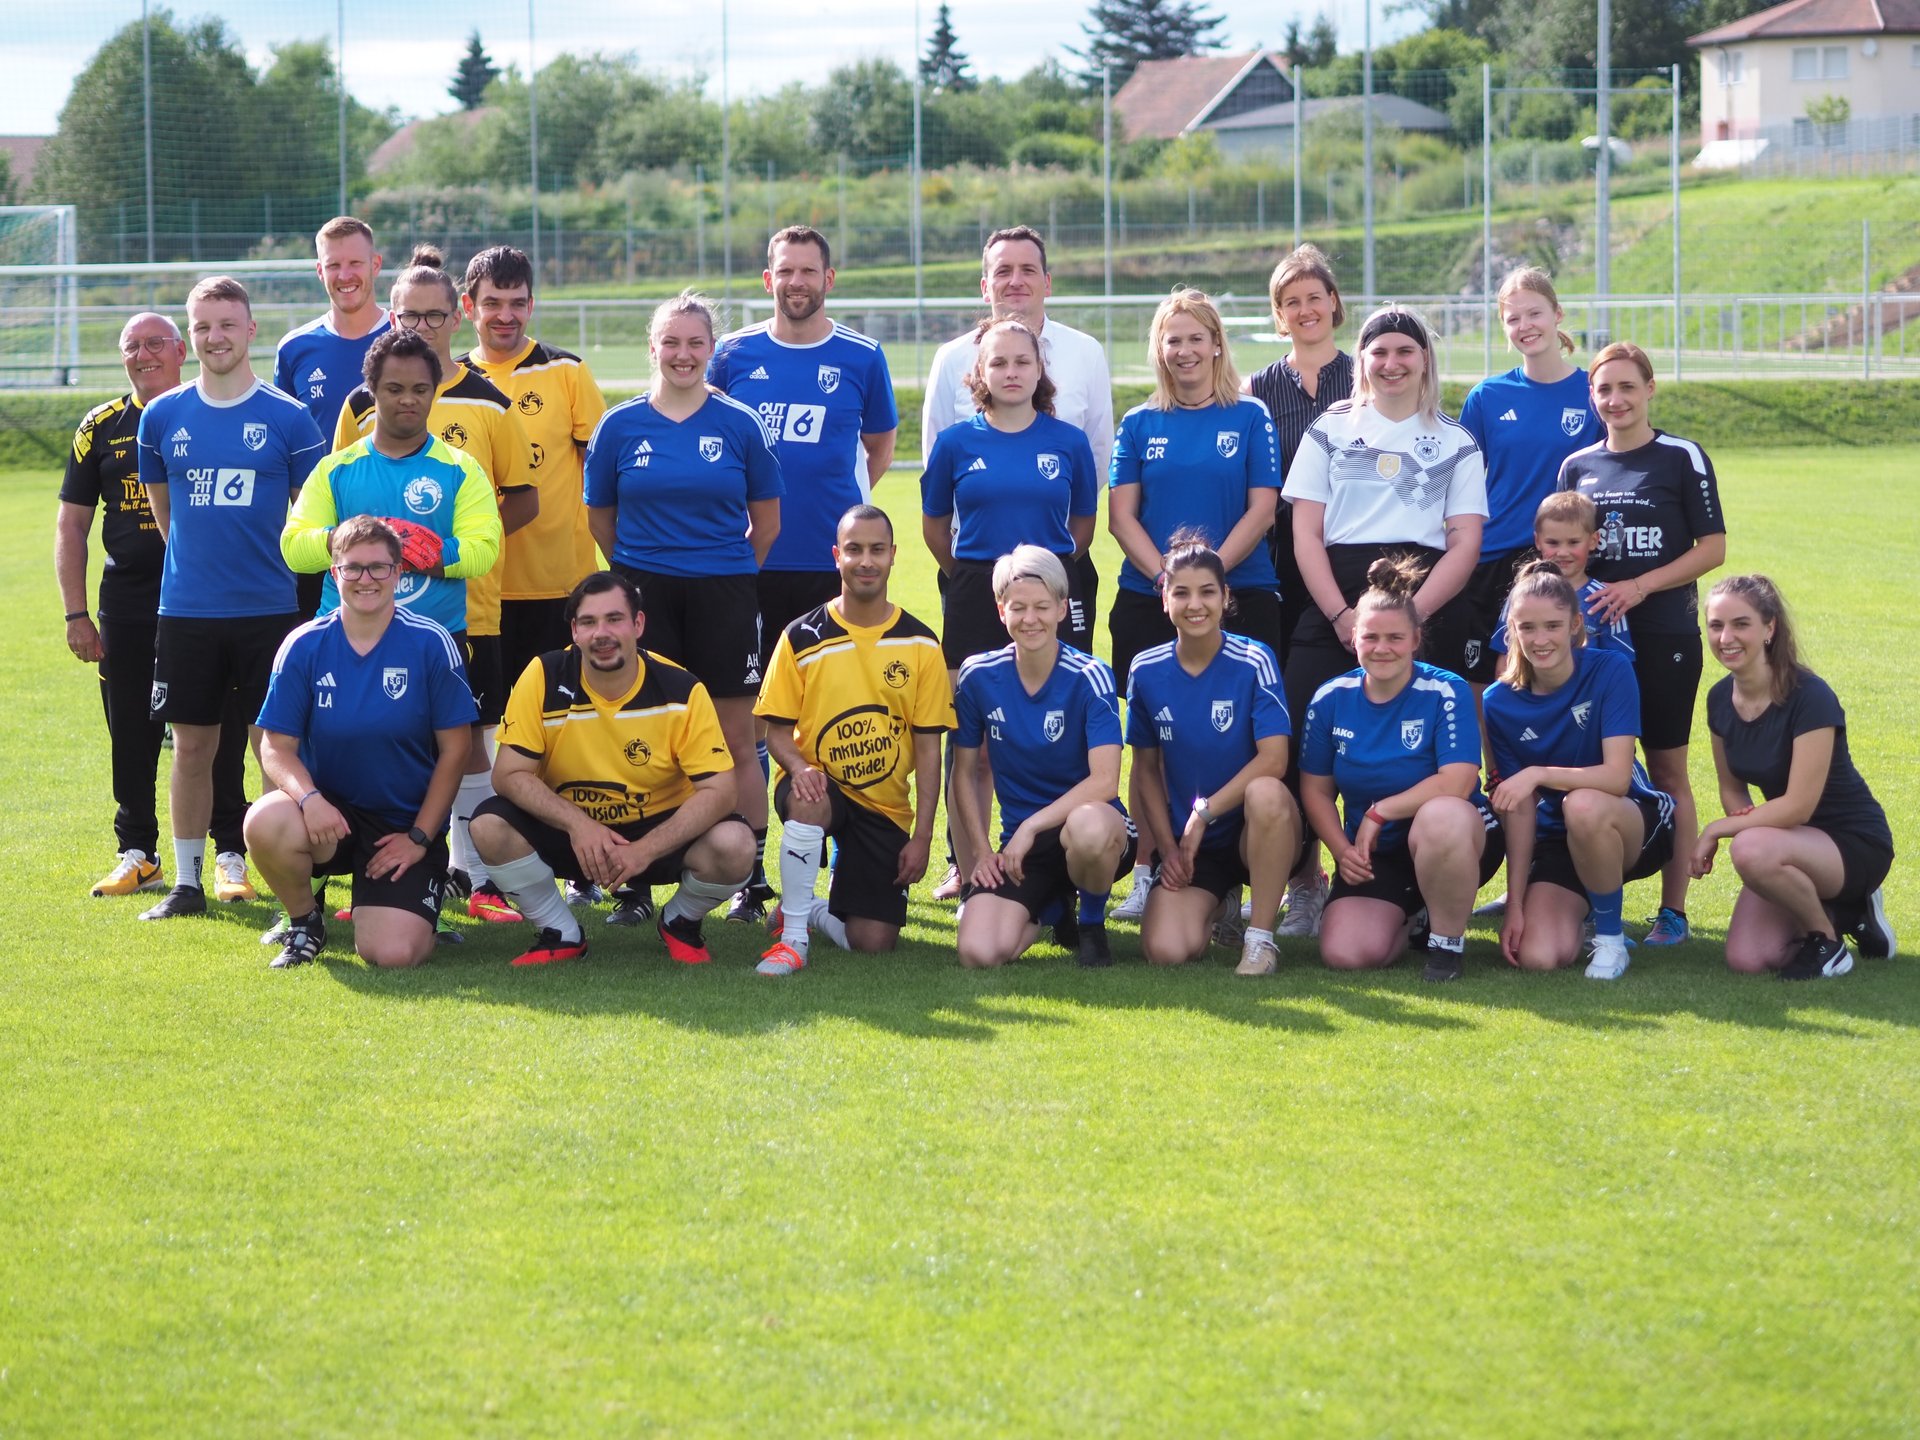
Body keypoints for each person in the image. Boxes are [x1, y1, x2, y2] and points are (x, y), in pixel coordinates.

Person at [335, 246, 538, 924]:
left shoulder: (489, 401)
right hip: (372, 616)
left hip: (465, 611)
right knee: (384, 733)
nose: (421, 327)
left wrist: (452, 551)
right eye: (409, 316)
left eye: (434, 316)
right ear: (391, 318)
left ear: (457, 317)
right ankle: (380, 875)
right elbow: (341, 504)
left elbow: (522, 498)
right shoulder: (362, 403)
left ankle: (473, 876)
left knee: (469, 738)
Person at [708, 225, 899, 923]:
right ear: (768, 280)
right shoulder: (733, 355)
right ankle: (752, 875)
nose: (796, 282)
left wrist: (836, 513)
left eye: (808, 271)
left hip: (829, 569)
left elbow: (878, 447)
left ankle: (848, 867)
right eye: (784, 271)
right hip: (747, 565)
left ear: (829, 278)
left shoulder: (861, 356)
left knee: (835, 719)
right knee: (750, 723)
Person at [1280, 306, 1488, 941]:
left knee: (1433, 753)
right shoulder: (1329, 430)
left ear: (1425, 359)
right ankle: (1306, 882)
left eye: (1405, 351)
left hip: (1426, 601)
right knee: (1296, 746)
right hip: (1336, 600)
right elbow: (1305, 534)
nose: (1392, 363)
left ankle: (1428, 887)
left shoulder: (1455, 440)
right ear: (1362, 361)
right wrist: (1343, 616)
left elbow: (1465, 542)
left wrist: (1407, 619)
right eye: (1379, 352)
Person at [923, 223, 1113, 900]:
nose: (1010, 371)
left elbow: (1086, 515)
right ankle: (970, 861)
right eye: (998, 363)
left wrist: (1047, 578)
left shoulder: (1071, 420)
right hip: (976, 586)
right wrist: (977, 578)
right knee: (971, 735)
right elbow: (934, 524)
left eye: (1022, 362)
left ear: (1039, 369)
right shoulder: (956, 426)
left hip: (1056, 583)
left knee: (1065, 720)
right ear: (980, 371)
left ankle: (1061, 858)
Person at [585, 289, 783, 928]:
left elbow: (766, 522)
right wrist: (638, 573)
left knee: (736, 738)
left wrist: (727, 573)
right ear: (653, 347)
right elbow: (600, 517)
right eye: (671, 341)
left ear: (711, 349)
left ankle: (750, 877)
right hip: (645, 595)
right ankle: (635, 880)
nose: (683, 354)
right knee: (643, 736)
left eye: (696, 342)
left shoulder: (739, 423)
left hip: (724, 592)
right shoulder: (620, 425)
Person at [135, 275, 328, 920]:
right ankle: (188, 882)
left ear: (250, 330)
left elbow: (310, 517)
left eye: (226, 324)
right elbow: (168, 517)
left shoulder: (289, 418)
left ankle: (287, 888)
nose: (215, 337)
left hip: (269, 613)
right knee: (192, 747)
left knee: (272, 748)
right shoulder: (162, 417)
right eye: (202, 326)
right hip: (187, 612)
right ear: (189, 337)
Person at [57, 312, 253, 901]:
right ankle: (138, 852)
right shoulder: (100, 426)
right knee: (131, 732)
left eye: (154, 344)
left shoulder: (213, 411)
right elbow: (72, 525)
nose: (143, 355)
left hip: (209, 600)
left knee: (220, 728)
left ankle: (230, 854)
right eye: (131, 346)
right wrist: (75, 614)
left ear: (180, 350)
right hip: (130, 604)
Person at [470, 571, 756, 968]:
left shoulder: (681, 689)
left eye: (614, 619)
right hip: (573, 832)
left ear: (638, 624)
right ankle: (560, 932)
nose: (601, 633)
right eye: (588, 622)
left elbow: (721, 791)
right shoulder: (544, 676)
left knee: (736, 845)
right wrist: (579, 825)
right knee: (488, 825)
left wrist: (644, 850)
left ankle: (680, 921)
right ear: (574, 631)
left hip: (657, 829)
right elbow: (508, 774)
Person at [246, 517, 477, 969]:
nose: (365, 579)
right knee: (265, 819)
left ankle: (407, 906)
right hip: (328, 817)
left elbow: (457, 750)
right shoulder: (303, 645)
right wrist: (309, 799)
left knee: (391, 954)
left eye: (378, 567)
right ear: (335, 573)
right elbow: (275, 746)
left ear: (398, 572)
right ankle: (304, 921)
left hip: (401, 824)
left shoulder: (431, 642)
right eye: (352, 568)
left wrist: (419, 837)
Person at [1557, 341, 1728, 948]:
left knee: (1666, 769)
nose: (1616, 399)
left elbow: (1713, 549)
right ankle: (1586, 901)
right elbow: (1563, 546)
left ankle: (1672, 911)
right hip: (1593, 643)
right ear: (1591, 396)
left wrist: (1639, 586)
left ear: (1650, 389)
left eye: (1628, 386)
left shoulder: (1681, 456)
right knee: (1588, 769)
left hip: (1663, 635)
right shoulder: (1577, 464)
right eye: (1604, 389)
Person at [755, 505, 953, 977]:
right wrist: (799, 768)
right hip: (816, 784)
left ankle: (806, 909)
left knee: (873, 942)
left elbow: (930, 750)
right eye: (854, 549)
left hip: (883, 804)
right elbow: (775, 733)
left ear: (893, 555)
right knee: (810, 797)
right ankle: (793, 941)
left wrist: (923, 837)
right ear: (836, 556)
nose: (866, 561)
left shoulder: (922, 644)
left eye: (876, 550)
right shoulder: (801, 636)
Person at [1298, 557, 1504, 982]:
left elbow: (1459, 781)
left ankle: (1446, 945)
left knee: (1441, 815)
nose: (1382, 648)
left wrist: (1380, 812)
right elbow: (1315, 791)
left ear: (1415, 639)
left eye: (1395, 637)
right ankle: (1414, 912)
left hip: (1455, 837)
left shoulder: (1445, 689)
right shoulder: (1330, 698)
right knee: (1347, 953)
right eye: (1370, 637)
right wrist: (1342, 850)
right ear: (1353, 638)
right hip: (1379, 852)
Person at [1695, 575, 1896, 980]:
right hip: (1787, 839)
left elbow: (1799, 806)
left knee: (1749, 849)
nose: (1726, 638)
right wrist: (1749, 823)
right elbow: (1732, 788)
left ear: (1769, 628)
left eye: (1740, 624)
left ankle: (1827, 942)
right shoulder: (1719, 698)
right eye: (1716, 626)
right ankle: (1847, 913)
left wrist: (1720, 829)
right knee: (1749, 958)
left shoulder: (1810, 695)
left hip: (1851, 840)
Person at [1483, 561, 1675, 980]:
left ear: (1574, 625)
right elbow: (1520, 810)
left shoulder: (1611, 669)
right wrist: (1515, 905)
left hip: (1632, 820)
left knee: (1583, 805)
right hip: (1559, 838)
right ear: (1511, 631)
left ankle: (1610, 939)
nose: (1540, 639)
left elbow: (1617, 778)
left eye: (1552, 626)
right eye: (1527, 627)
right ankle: (1584, 912)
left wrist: (1537, 773)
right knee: (1539, 956)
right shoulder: (1497, 701)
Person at [1124, 533, 1300, 976]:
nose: (1195, 605)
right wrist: (1168, 848)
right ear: (1164, 598)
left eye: (1207, 592)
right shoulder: (1145, 669)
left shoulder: (1254, 659)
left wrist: (1202, 815)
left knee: (1265, 793)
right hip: (1192, 846)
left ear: (1225, 596)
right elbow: (1145, 770)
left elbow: (1274, 760)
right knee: (1165, 950)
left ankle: (1260, 940)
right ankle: (1221, 905)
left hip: (1256, 831)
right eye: (1181, 593)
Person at [952, 546, 1134, 970]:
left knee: (1088, 827)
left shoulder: (1090, 675)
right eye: (1018, 607)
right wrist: (982, 852)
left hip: (1094, 829)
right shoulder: (977, 676)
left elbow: (1105, 781)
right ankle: (1053, 905)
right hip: (1023, 848)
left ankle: (1090, 925)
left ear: (1062, 609)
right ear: (1001, 610)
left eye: (1041, 606)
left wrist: (1031, 826)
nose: (1030, 618)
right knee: (979, 953)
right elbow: (964, 773)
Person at [283, 329, 504, 646]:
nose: (408, 399)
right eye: (394, 389)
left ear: (434, 391)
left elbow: (482, 551)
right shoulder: (334, 469)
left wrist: (421, 553)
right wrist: (355, 541)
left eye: (420, 389)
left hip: (434, 642)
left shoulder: (462, 469)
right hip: (344, 639)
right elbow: (294, 549)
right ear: (371, 390)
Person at [459, 243, 608, 687]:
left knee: (559, 717)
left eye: (517, 303)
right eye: (492, 303)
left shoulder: (566, 372)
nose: (505, 315)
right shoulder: (454, 381)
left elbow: (604, 476)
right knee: (489, 720)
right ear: (468, 306)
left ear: (531, 305)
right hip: (477, 591)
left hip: (560, 588)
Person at [1457, 267, 1602, 690]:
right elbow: (1459, 485)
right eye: (1513, 318)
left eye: (1534, 313)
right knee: (1487, 684)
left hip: (1565, 555)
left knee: (1561, 682)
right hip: (1494, 557)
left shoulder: (1593, 393)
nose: (1525, 326)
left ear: (1557, 314)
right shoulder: (1487, 397)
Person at [273, 217, 392, 620]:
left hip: (397, 529)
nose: (345, 276)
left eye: (355, 263)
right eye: (334, 265)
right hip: (323, 537)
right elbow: (285, 447)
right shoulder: (295, 348)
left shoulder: (406, 336)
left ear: (375, 265)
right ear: (319, 271)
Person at [1243, 244, 1355, 671]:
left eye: (1314, 298)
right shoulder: (1256, 391)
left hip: (1351, 548)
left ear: (1333, 301)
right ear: (1279, 314)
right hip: (1282, 557)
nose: (1305, 310)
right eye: (1292, 302)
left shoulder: (1366, 379)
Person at [1487, 492, 1633, 662]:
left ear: (1593, 540)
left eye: (1573, 542)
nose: (1563, 552)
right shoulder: (1521, 594)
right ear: (1537, 541)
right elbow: (1505, 660)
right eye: (1553, 543)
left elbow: (1621, 665)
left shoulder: (1606, 600)